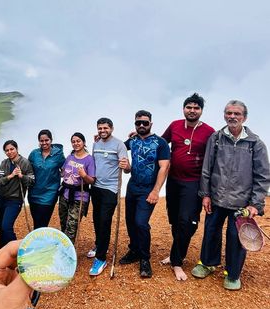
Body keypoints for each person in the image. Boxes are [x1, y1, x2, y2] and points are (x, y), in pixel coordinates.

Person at [192, 100, 270, 290]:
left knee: (236, 237)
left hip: (242, 203)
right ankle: (208, 263)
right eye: (228, 113)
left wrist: (255, 204)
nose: (232, 117)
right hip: (216, 197)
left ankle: (232, 274)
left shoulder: (255, 144)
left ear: (244, 117)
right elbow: (207, 169)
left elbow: (263, 176)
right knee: (211, 231)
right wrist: (205, 194)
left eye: (236, 113)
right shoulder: (216, 138)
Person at [161, 93, 215, 281]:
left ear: (201, 110)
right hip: (173, 180)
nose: (192, 110)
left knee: (187, 221)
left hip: (194, 183)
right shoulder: (175, 125)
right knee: (175, 220)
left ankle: (177, 262)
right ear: (184, 108)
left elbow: (216, 157)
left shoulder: (209, 132)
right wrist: (138, 137)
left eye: (196, 108)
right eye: (189, 107)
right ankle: (177, 252)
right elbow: (160, 143)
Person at [119, 111, 170, 278]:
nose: (141, 125)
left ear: (151, 124)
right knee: (130, 221)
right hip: (133, 186)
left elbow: (164, 167)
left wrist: (156, 191)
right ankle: (134, 250)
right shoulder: (132, 140)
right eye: (138, 123)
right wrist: (102, 138)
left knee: (141, 223)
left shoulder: (160, 143)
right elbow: (117, 147)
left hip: (148, 189)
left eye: (145, 123)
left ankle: (144, 258)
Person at [89, 118, 130, 276]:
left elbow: (127, 169)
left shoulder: (119, 145)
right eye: (100, 128)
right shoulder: (96, 144)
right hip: (96, 186)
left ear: (112, 128)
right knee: (97, 219)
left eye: (105, 128)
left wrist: (126, 166)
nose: (102, 130)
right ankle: (99, 245)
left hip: (111, 189)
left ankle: (101, 258)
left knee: (105, 221)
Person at [0, 140, 35, 247]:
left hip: (14, 199)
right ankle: (3, 250)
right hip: (0, 198)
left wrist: (22, 176)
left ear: (17, 149)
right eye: (7, 150)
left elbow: (31, 181)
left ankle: (17, 250)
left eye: (12, 149)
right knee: (0, 227)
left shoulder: (25, 163)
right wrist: (11, 176)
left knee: (6, 226)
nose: (9, 152)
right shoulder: (4, 163)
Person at [58, 133, 96, 243]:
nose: (76, 143)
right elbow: (63, 172)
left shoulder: (89, 159)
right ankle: (64, 247)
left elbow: (92, 180)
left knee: (71, 227)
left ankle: (67, 253)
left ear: (84, 142)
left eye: (78, 141)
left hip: (80, 196)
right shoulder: (70, 157)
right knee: (64, 223)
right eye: (73, 142)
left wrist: (84, 175)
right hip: (65, 194)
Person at [28, 130, 65, 230]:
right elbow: (28, 170)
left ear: (51, 140)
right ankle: (38, 243)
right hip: (33, 193)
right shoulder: (34, 154)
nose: (44, 143)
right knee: (36, 222)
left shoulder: (58, 154)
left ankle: (39, 244)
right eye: (41, 141)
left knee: (42, 223)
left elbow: (65, 169)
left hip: (50, 193)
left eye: (46, 140)